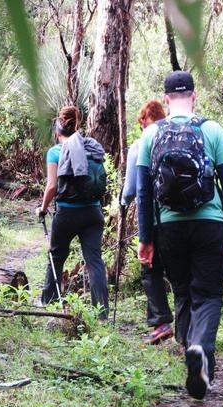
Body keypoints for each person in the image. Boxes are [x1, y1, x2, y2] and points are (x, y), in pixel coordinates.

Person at [136, 71, 223, 400]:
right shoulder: (212, 130)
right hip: (209, 224)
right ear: (194, 97)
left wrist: (146, 238)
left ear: (166, 99)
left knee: (183, 291)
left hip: (169, 226)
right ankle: (198, 348)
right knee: (209, 295)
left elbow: (144, 193)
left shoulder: (150, 135)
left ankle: (194, 354)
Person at [38, 106, 109, 318]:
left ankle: (49, 301)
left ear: (57, 130)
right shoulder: (92, 148)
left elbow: (52, 186)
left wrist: (42, 209)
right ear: (76, 125)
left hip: (67, 214)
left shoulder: (56, 152)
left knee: (56, 256)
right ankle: (101, 312)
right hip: (93, 213)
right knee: (94, 260)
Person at [121, 100, 173, 344]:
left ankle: (161, 323)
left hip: (151, 217)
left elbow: (132, 188)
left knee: (150, 268)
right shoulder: (176, 138)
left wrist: (122, 202)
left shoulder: (140, 145)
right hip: (179, 216)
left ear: (143, 120)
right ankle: (184, 326)